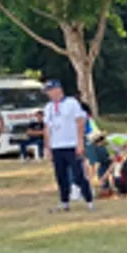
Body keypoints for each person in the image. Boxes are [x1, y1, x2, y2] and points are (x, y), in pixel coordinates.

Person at [43, 79, 94, 212]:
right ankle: (64, 201)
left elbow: (80, 122)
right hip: (56, 145)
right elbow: (47, 127)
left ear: (58, 89)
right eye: (47, 92)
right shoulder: (48, 107)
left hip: (71, 144)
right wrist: (47, 147)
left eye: (50, 90)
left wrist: (80, 143)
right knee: (60, 175)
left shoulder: (71, 103)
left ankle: (89, 200)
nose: (49, 94)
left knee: (78, 174)